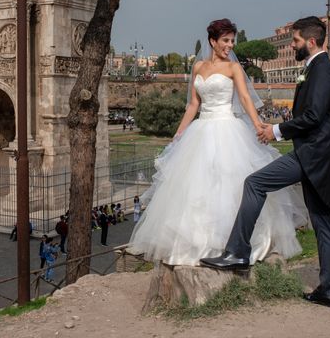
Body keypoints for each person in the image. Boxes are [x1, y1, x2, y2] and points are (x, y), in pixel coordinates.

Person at [130, 18, 304, 268]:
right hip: (200, 131)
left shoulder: (233, 68)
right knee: (197, 188)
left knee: (228, 185)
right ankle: (198, 245)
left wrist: (257, 125)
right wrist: (178, 136)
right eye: (225, 40)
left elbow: (244, 98)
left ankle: (230, 245)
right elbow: (193, 105)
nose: (230, 45)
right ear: (212, 41)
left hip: (227, 129)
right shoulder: (198, 67)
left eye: (232, 40)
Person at [201, 16, 330, 309]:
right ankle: (329, 289)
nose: (293, 45)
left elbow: (314, 116)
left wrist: (275, 130)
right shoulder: (316, 68)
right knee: (322, 222)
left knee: (254, 183)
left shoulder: (323, 70)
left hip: (310, 156)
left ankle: (237, 252)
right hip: (315, 155)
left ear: (311, 42)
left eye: (296, 41)